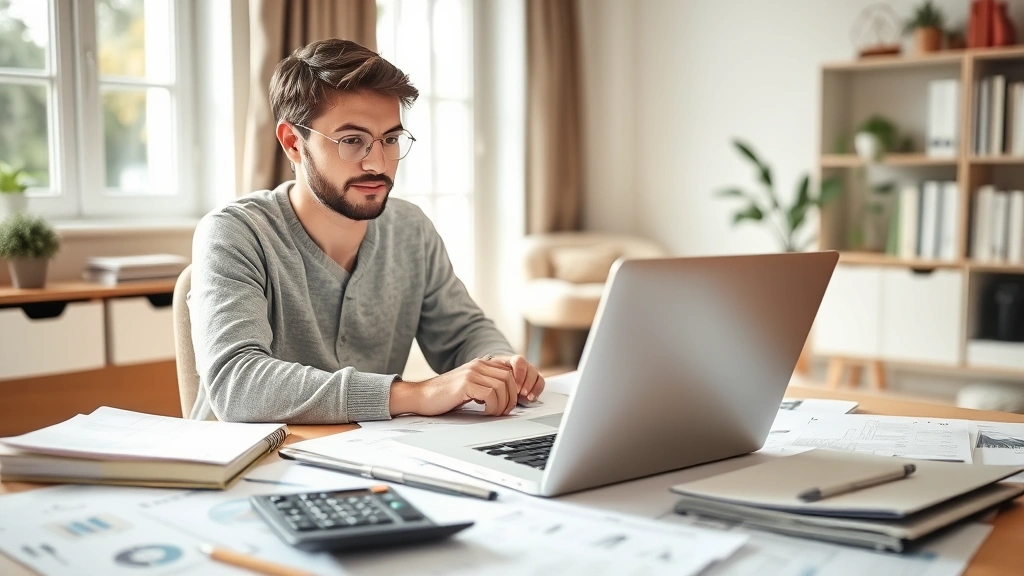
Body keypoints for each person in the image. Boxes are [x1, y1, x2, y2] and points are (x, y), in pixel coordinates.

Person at [188, 38, 544, 423]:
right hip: (252, 470)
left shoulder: (410, 230)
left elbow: (462, 332)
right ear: (293, 142)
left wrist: (499, 365)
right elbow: (237, 384)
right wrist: (415, 394)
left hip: (369, 460)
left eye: (390, 139)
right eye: (352, 141)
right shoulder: (234, 233)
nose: (378, 163)